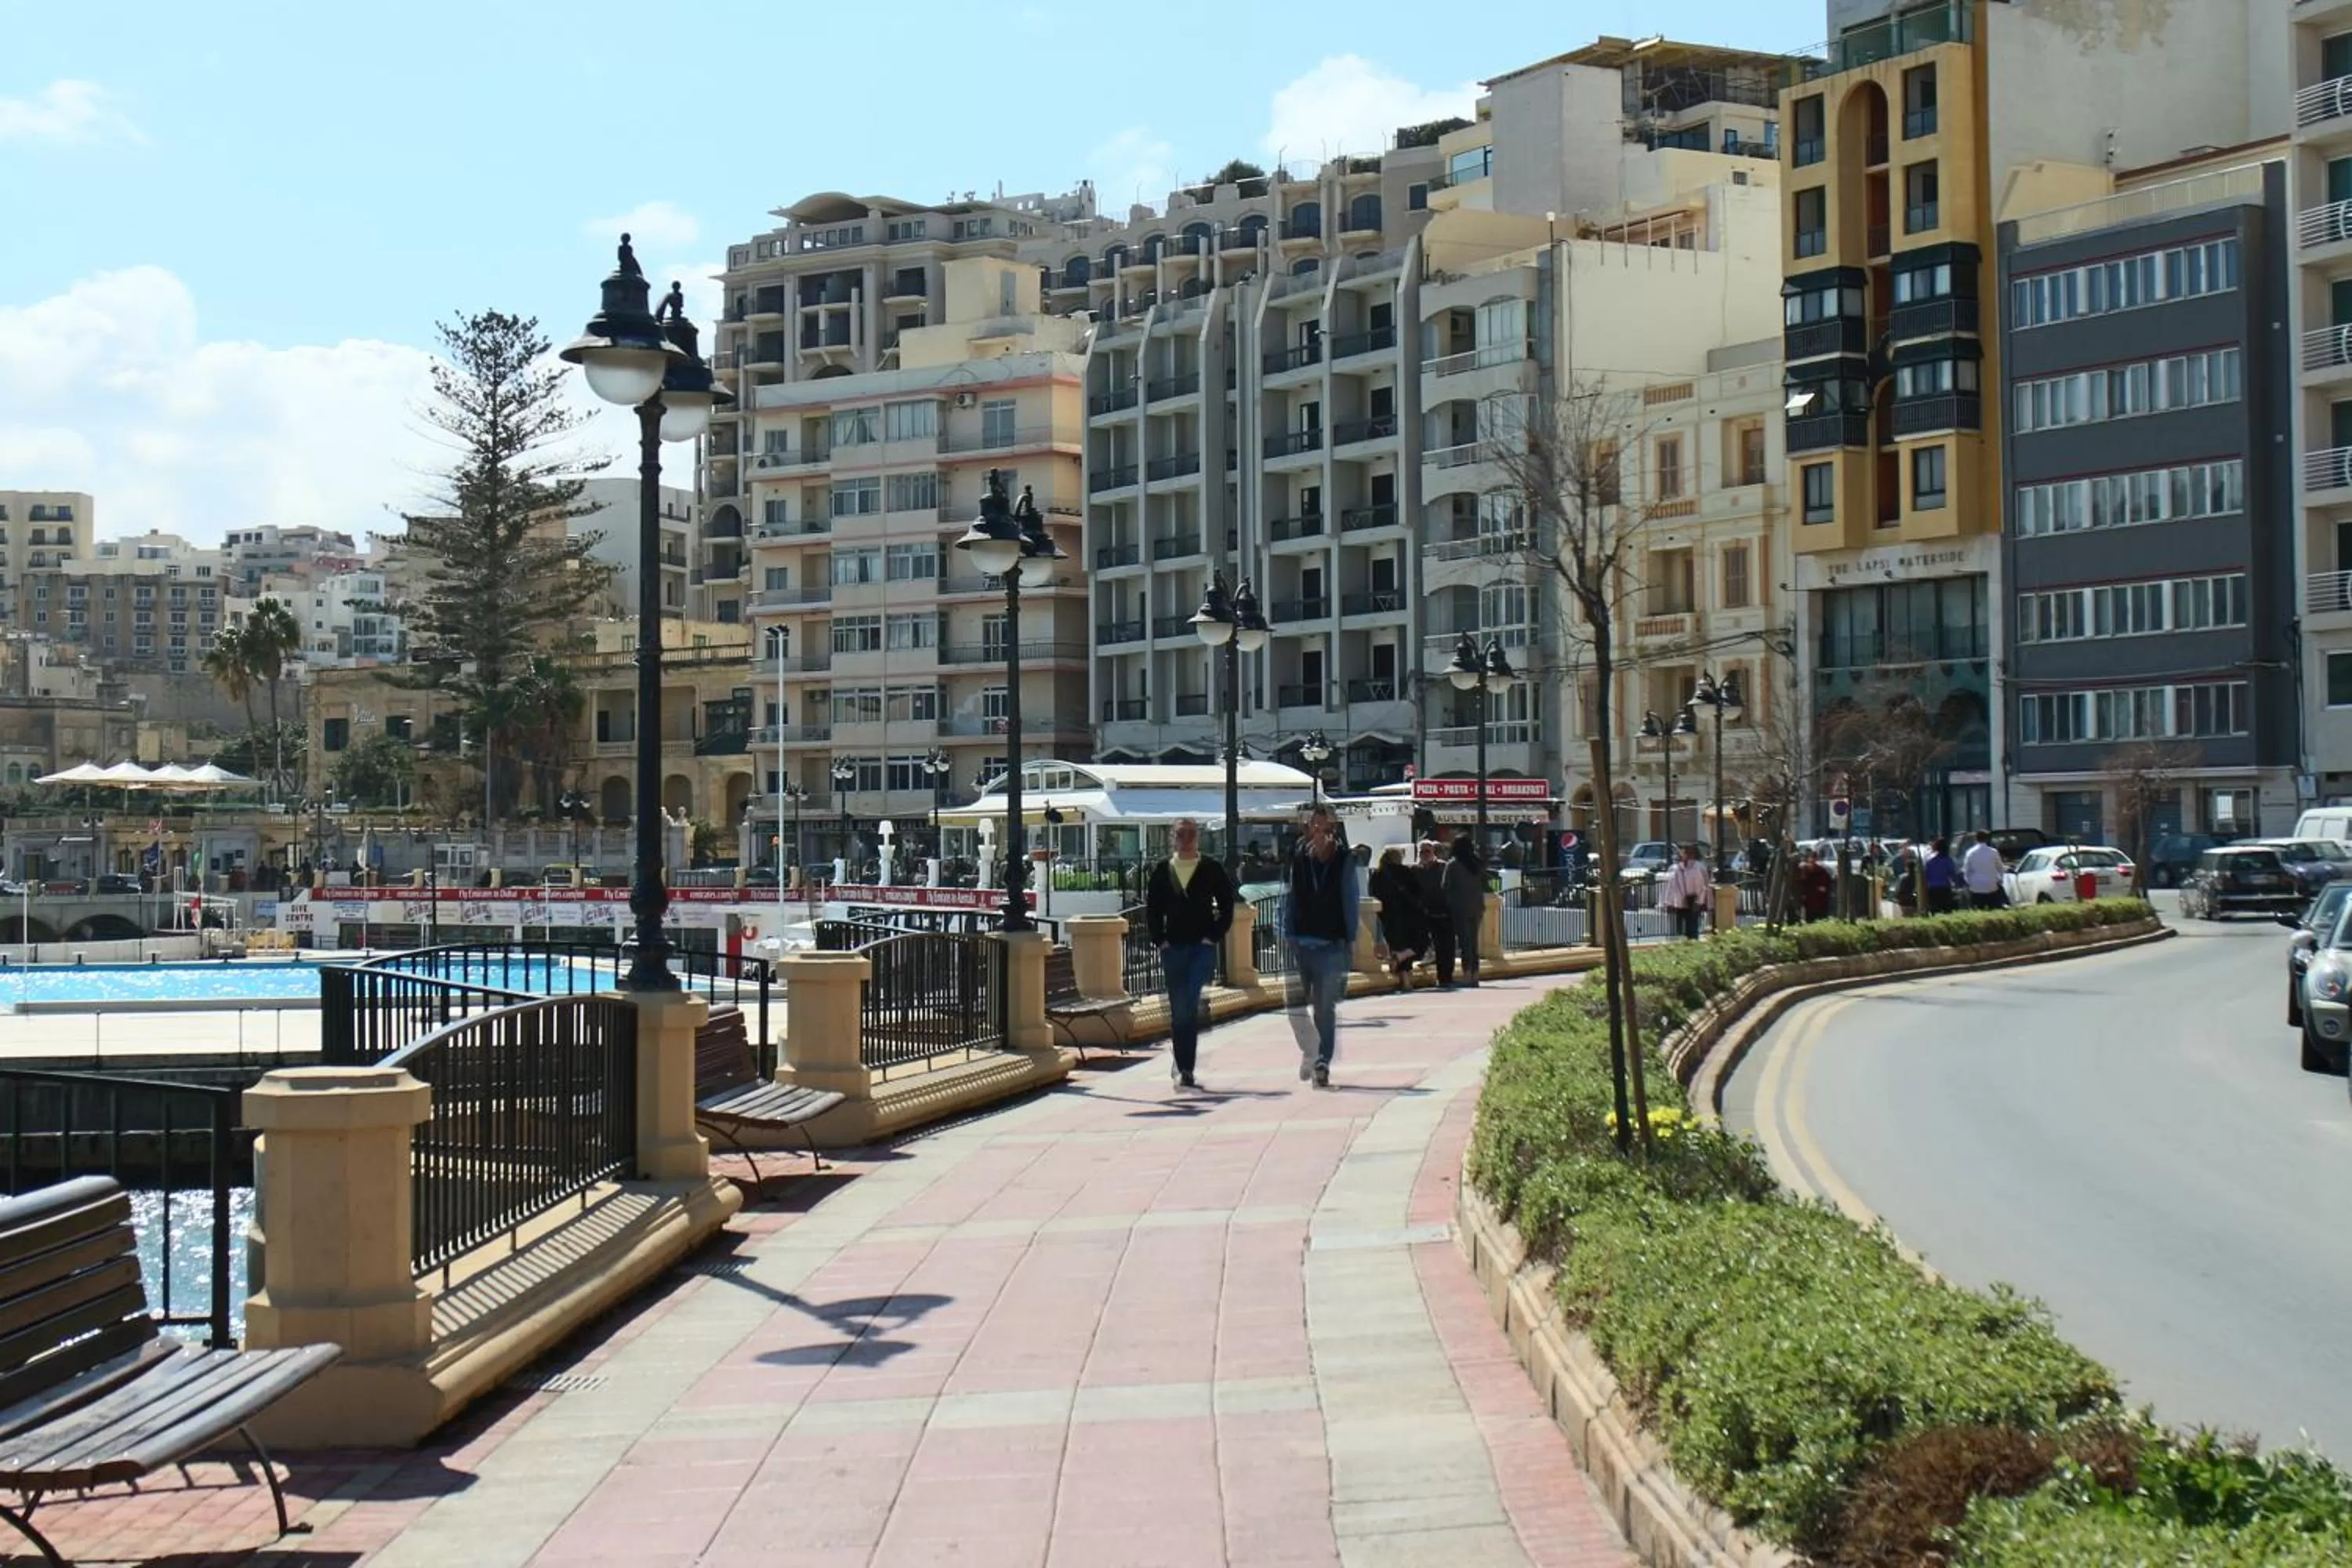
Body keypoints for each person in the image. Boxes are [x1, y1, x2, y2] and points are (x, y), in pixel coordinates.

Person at [1142, 818, 1236, 1091]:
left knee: (1189, 1007)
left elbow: (1227, 905)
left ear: (1198, 837)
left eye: (1191, 834)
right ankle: (1183, 1064)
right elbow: (1153, 909)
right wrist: (1160, 941)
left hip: (1201, 949)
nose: (1186, 839)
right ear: (1173, 837)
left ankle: (1186, 1068)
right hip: (1173, 949)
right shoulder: (1163, 870)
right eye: (1181, 834)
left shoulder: (1211, 868)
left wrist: (1213, 936)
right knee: (1178, 1011)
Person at [1283, 804, 1360, 1088]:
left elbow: (1351, 899)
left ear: (1334, 831)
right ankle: (1310, 1050)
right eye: (1315, 828)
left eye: (1326, 829)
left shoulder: (1344, 859)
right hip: (1299, 941)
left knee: (1324, 1008)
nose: (1320, 834)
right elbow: (1290, 894)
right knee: (1294, 1006)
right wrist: (1286, 931)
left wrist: (1351, 940)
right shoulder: (1299, 855)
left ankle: (1321, 1062)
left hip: (1331, 944)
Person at [1369, 846, 1427, 990]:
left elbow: (1373, 894)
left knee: (1398, 946)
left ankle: (1405, 979)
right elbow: (1418, 892)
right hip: (1409, 915)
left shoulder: (1378, 874)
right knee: (1416, 945)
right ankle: (1403, 972)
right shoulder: (1405, 872)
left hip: (1387, 917)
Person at [1443, 835, 1490, 985]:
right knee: (1474, 942)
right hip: (1477, 906)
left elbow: (1445, 886)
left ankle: (1467, 974)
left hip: (1460, 907)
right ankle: (1475, 974)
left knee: (1465, 942)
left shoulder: (1453, 864)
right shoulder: (1477, 863)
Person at [1414, 839, 1458, 985]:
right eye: (1422, 852)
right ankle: (1438, 973)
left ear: (1434, 853)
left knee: (1447, 946)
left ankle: (1446, 977)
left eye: (1427, 851)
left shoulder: (1443, 867)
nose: (1424, 855)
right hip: (1425, 913)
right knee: (1430, 944)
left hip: (1445, 912)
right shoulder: (1414, 870)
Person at [1661, 843, 1711, 941]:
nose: (1681, 854)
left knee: (1692, 926)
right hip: (1682, 902)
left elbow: (1701, 886)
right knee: (1682, 928)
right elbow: (1673, 886)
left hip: (1694, 900)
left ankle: (1693, 943)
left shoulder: (1697, 867)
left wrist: (1699, 902)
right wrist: (1670, 902)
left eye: (1684, 852)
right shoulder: (1679, 868)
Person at [1962, 829, 2006, 909]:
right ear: (1987, 839)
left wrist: (1970, 883)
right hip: (1992, 886)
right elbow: (2000, 868)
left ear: (1976, 839)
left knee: (1978, 911)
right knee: (1994, 910)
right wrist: (2000, 880)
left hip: (1976, 887)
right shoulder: (1993, 852)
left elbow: (1966, 871)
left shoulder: (1970, 852)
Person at [1922, 836, 1960, 915]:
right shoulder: (1948, 860)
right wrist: (1957, 886)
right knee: (1947, 912)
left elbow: (1926, 878)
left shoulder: (1930, 862)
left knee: (1934, 912)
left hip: (1932, 890)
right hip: (1945, 889)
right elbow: (1953, 875)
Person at [1797, 849, 1835, 923]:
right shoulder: (1804, 870)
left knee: (1821, 916)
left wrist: (1824, 888)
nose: (1812, 860)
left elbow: (1826, 884)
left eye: (1814, 858)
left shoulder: (1821, 871)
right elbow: (1802, 882)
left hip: (1820, 899)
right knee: (1810, 917)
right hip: (1809, 898)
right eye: (1811, 858)